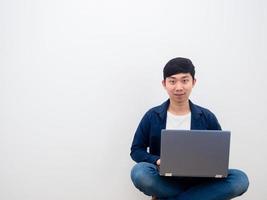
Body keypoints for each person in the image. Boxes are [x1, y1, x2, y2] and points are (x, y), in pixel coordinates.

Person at [130, 57, 249, 200]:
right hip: (166, 182)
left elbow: (219, 156)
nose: (179, 87)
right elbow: (136, 150)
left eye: (185, 80)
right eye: (172, 81)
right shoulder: (152, 116)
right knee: (139, 172)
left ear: (194, 82)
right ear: (164, 83)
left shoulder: (207, 116)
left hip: (202, 183)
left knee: (240, 179)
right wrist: (158, 161)